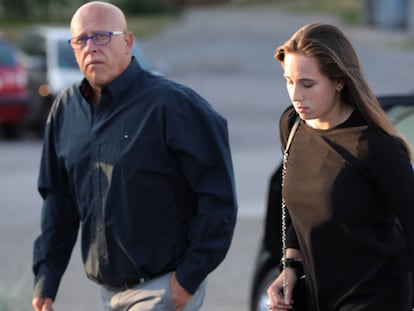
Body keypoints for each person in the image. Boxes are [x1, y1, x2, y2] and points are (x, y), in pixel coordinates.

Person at [31, 1, 238, 311]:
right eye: (81, 40)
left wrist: (187, 280)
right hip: (106, 292)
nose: (91, 48)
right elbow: (59, 202)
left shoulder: (174, 106)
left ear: (127, 42)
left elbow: (218, 198)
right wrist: (47, 279)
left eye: (101, 36)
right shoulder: (65, 110)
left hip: (163, 289)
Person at [267, 23, 414, 310]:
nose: (296, 95)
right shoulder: (292, 126)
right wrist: (290, 267)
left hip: (375, 298)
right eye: (288, 81)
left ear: (339, 80)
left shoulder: (375, 146)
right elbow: (294, 210)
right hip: (316, 297)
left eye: (308, 84)